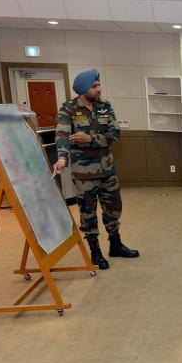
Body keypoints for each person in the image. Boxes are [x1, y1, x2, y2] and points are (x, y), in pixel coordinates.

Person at [53, 68, 138, 270]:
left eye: (98, 85)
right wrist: (62, 159)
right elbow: (62, 136)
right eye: (95, 86)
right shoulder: (69, 109)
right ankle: (95, 251)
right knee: (88, 213)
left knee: (114, 209)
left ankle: (115, 245)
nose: (99, 89)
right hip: (84, 175)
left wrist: (90, 139)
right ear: (84, 89)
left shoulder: (105, 107)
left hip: (107, 170)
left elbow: (115, 133)